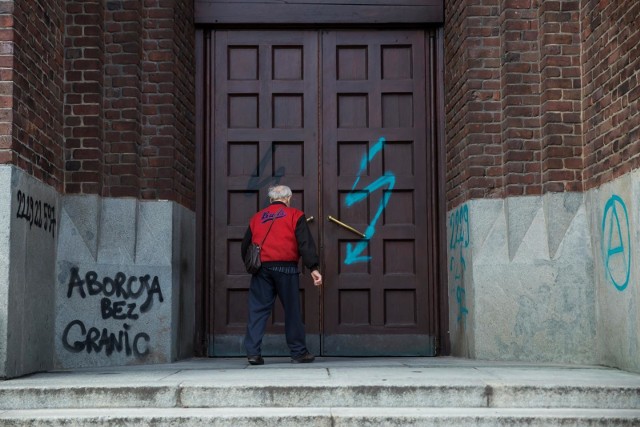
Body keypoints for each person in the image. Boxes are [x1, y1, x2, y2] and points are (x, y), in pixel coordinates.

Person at [241, 185, 323, 365]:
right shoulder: (295, 215)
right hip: (286, 268)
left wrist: (252, 266)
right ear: (288, 198)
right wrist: (314, 268)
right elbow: (305, 244)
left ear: (271, 199)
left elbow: (245, 245)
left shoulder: (257, 218)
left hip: (262, 269)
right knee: (292, 311)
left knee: (258, 311)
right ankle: (298, 353)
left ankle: (253, 353)